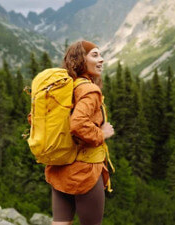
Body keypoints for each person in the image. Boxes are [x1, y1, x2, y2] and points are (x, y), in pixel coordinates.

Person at [44, 40, 115, 225]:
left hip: (61, 166)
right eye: (95, 55)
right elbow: (77, 123)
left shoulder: (66, 87)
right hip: (85, 171)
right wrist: (102, 133)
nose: (101, 59)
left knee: (60, 223)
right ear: (80, 60)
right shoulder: (89, 90)